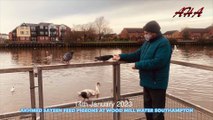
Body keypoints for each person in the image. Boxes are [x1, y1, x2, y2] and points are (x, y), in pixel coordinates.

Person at [113, 20, 172, 120]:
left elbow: (158, 62)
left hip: (157, 83)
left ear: (154, 33)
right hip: (147, 82)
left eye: (146, 33)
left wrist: (138, 65)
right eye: (144, 33)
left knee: (157, 114)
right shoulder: (147, 43)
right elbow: (137, 54)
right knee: (148, 110)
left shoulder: (163, 43)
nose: (145, 35)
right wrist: (121, 56)